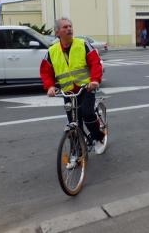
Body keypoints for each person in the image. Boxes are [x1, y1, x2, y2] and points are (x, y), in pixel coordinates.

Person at [40, 17, 105, 156]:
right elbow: (46, 71)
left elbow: (95, 62)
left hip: (86, 88)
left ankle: (99, 137)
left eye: (70, 26)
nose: (69, 28)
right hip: (68, 92)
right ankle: (77, 151)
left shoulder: (82, 44)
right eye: (65, 27)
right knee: (73, 122)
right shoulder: (52, 51)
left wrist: (94, 80)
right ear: (57, 32)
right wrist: (50, 86)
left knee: (87, 113)